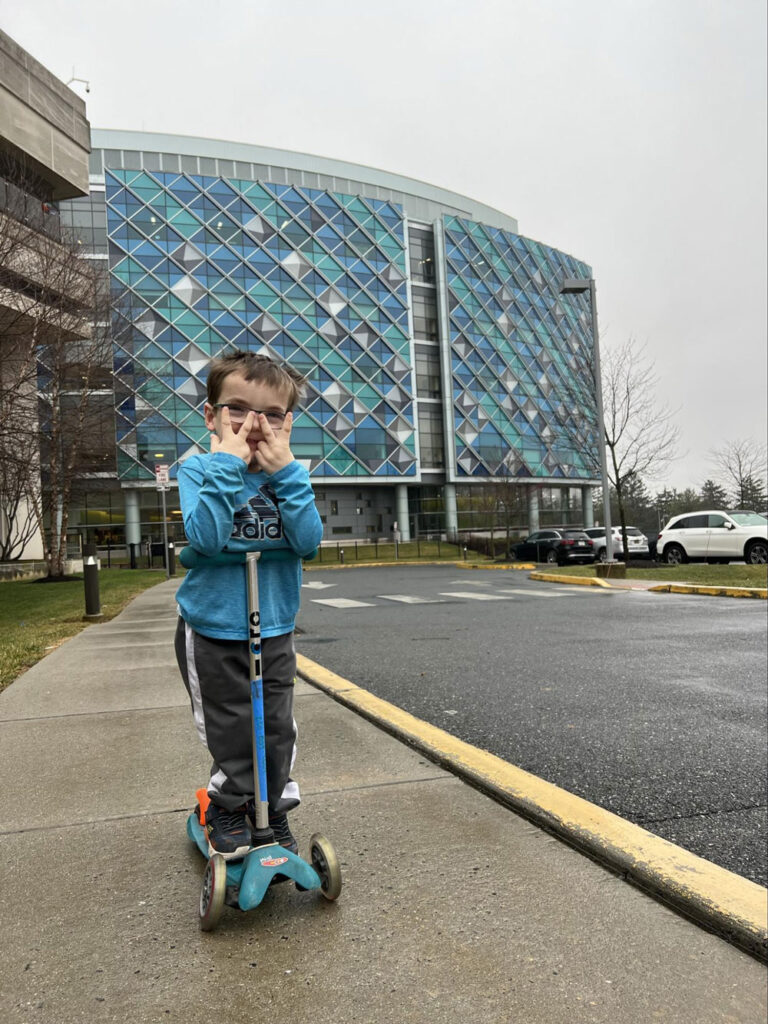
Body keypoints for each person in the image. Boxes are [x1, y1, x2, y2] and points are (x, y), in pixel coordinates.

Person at [174, 350, 322, 860]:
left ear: (287, 423)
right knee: (231, 724)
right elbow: (207, 539)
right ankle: (227, 805)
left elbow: (307, 541)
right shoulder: (198, 470)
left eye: (271, 414)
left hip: (275, 625)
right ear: (211, 416)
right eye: (237, 408)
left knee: (276, 723)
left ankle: (271, 807)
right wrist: (228, 467)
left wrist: (287, 476)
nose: (254, 424)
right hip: (213, 628)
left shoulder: (292, 476)